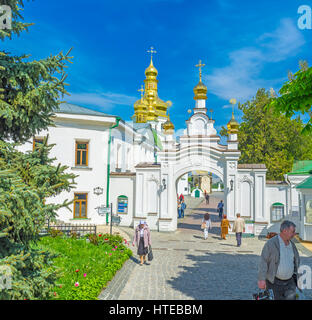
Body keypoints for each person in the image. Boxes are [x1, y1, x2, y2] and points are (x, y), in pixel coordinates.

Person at [258, 220, 300, 300]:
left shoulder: (292, 245)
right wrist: (261, 279)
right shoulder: (271, 244)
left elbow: (296, 261)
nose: (294, 234)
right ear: (285, 231)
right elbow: (263, 261)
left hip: (290, 283)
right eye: (293, 231)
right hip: (274, 283)